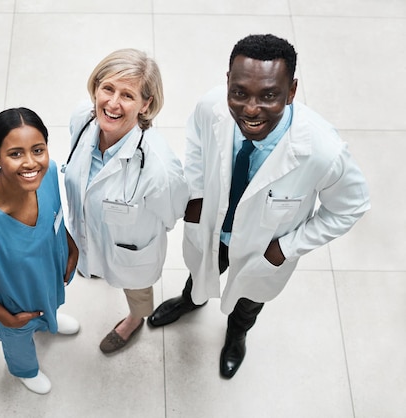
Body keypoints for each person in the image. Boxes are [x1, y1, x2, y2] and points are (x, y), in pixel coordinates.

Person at [147, 34, 371, 378]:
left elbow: (350, 207)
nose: (251, 109)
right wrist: (195, 197)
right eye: (239, 93)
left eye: (269, 95)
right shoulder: (211, 107)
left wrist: (285, 248)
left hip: (263, 250)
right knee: (200, 272)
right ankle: (190, 302)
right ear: (228, 83)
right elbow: (195, 140)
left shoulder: (323, 151)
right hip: (212, 228)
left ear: (291, 91)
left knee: (250, 300)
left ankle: (237, 335)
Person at [63, 48, 189, 354]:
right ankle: (94, 264)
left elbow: (171, 214)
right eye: (107, 88)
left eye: (128, 95)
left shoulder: (159, 167)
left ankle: (134, 320)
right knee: (92, 262)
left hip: (131, 255)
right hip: (85, 235)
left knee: (136, 290)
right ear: (95, 87)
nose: (113, 103)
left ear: (146, 104)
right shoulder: (83, 118)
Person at [0, 108, 80, 395]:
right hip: (14, 306)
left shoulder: (46, 178)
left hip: (48, 280)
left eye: (38, 150)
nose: (31, 163)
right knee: (19, 339)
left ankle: (49, 322)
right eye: (16, 154)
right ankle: (25, 369)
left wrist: (72, 248)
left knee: (50, 308)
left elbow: (55, 217)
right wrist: (6, 317)